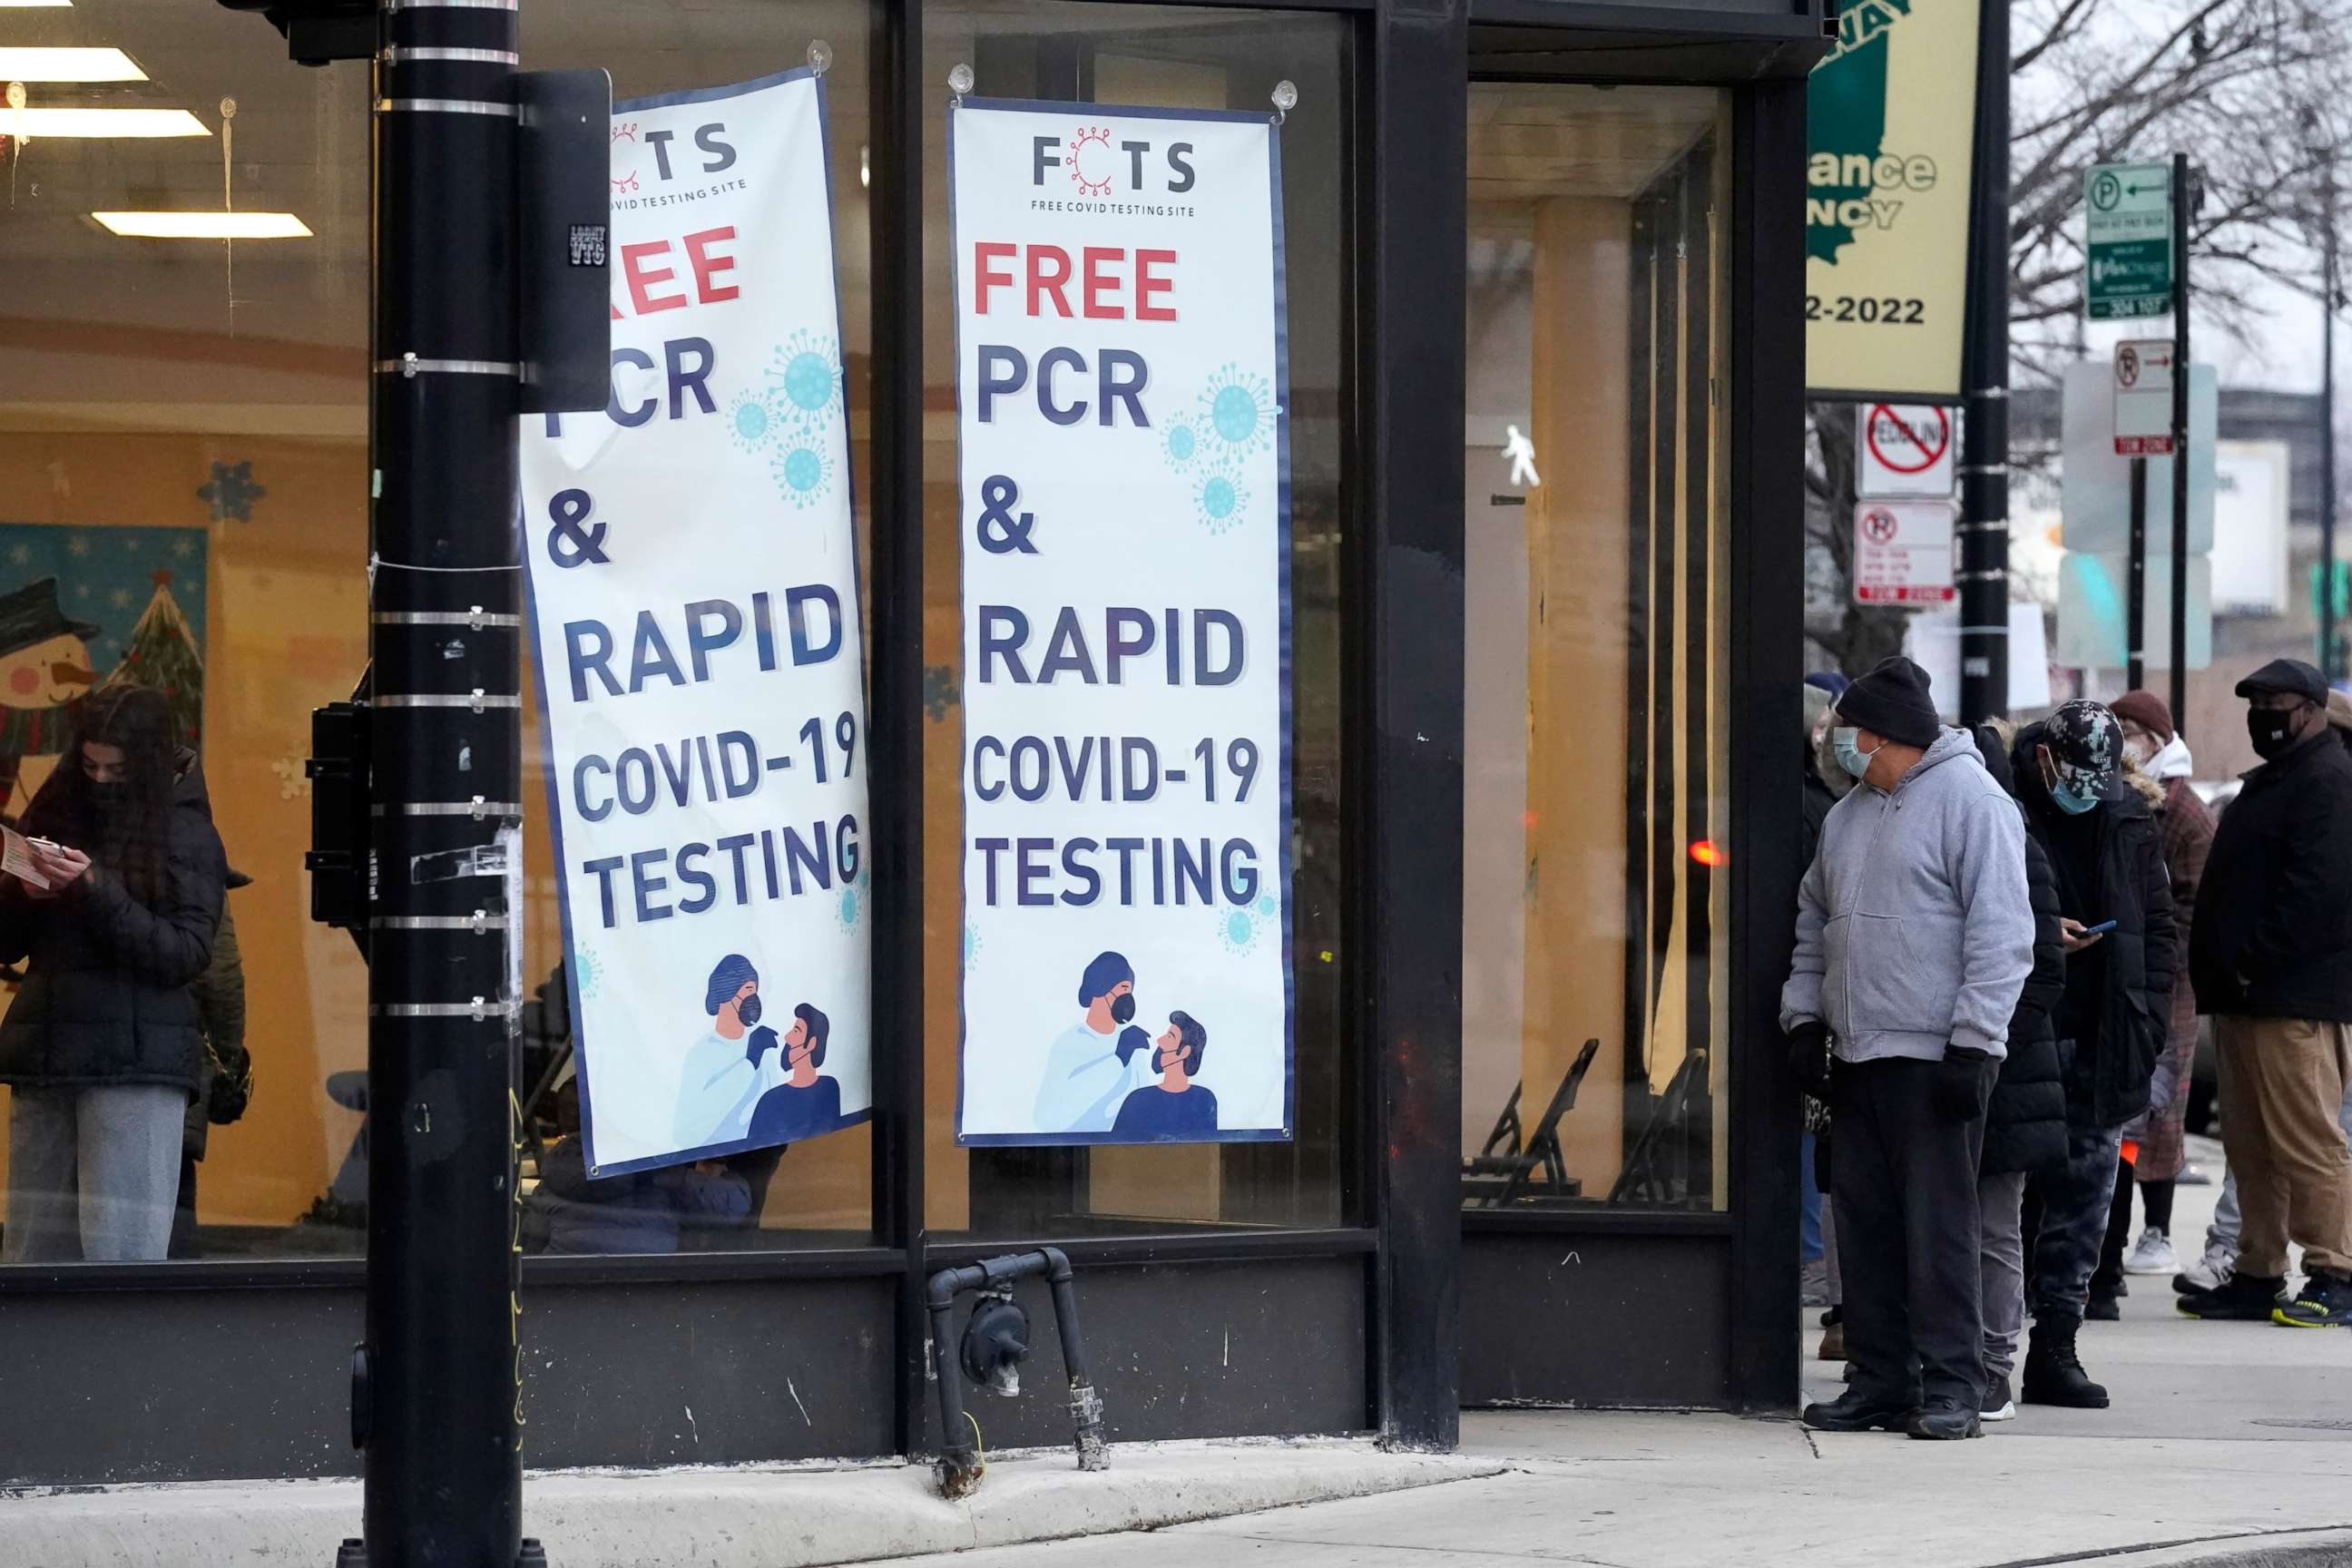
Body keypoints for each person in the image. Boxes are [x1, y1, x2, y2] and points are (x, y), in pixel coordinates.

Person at [1782, 656, 2034, 1441]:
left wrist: (1974, 1043)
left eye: (1850, 734)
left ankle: (1954, 1386)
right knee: (1866, 1230)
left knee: (1939, 1230)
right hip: (1859, 1054)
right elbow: (1812, 928)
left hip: (1937, 1059)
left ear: (1886, 737)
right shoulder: (1848, 814)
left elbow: (2003, 934)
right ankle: (1881, 1380)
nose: (1839, 746)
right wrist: (1804, 1020)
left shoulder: (1973, 804)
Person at [0, 685, 227, 1263]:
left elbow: (185, 952)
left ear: (149, 766)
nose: (99, 780)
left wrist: (95, 891)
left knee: (122, 1261)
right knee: (31, 1259)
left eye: (116, 769)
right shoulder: (56, 808)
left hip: (137, 1059)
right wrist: (24, 893)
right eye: (89, 763)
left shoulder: (185, 831)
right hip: (48, 1051)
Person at [2001, 700, 2175, 1407]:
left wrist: (2148, 1024)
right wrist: (2047, 934)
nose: (2085, 796)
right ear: (2045, 759)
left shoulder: (2128, 817)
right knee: (2009, 1206)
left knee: (2084, 1205)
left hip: (2103, 1034)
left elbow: (2158, 930)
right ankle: (1988, 1349)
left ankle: (2056, 1347)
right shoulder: (2001, 802)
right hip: (2025, 1030)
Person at [2180, 659, 2352, 1328]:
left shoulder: (2330, 782)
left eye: (2275, 702)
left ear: (2309, 709)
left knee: (2308, 1141)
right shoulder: (2277, 781)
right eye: (2257, 703)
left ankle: (2335, 1271)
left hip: (2294, 1000)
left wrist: (2253, 964)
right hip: (2248, 998)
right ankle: (2257, 1270)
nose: (2263, 715)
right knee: (2252, 1148)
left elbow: (2319, 893)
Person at [1970, 723, 2070, 1425]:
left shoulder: (2011, 844)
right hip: (1994, 1065)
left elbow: (2041, 969)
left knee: (1995, 1225)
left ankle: (1995, 1363)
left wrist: (1988, 1040)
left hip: (2008, 1073)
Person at [2101, 691, 2214, 1284]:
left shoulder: (2185, 813)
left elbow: (2202, 908)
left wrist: (2156, 943)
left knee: (2161, 1108)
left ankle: (2157, 1230)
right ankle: (2117, 1237)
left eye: (2130, 729)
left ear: (2157, 738)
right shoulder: (2114, 797)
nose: (2122, 739)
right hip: (2128, 974)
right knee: (2124, 1104)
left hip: (2169, 982)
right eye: (2114, 727)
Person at [172, 869, 252, 1259]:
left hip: (58, 1071)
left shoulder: (68, 833)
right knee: (168, 1225)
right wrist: (228, 1065)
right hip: (167, 1067)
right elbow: (220, 979)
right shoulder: (189, 848)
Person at [674, 955, 786, 1151]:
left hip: (759, 1157)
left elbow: (776, 1108)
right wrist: (749, 1063)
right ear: (726, 993)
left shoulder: (761, 1044)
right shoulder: (701, 1054)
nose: (753, 1001)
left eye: (755, 993)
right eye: (748, 992)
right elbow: (685, 1133)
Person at [1034, 951, 1153, 1133]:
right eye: (1123, 988)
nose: (1127, 999)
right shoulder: (1069, 1043)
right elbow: (1046, 1117)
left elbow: (1144, 1104)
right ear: (1102, 987)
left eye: (1130, 991)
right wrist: (1118, 1059)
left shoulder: (1132, 1041)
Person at [1112, 1012, 1220, 1136]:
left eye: (1170, 1036)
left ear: (1185, 1052)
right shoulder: (1137, 1099)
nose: (1159, 1041)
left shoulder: (1204, 1100)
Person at [748, 1004, 842, 1144]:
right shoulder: (770, 1100)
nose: (787, 1037)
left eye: (796, 1031)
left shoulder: (829, 1087)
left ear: (811, 1043)